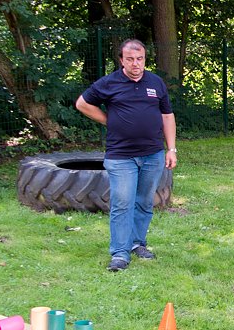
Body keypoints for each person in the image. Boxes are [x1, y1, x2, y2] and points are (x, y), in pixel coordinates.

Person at [76, 39, 177, 272]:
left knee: (143, 202)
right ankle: (120, 254)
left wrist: (171, 149)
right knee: (122, 203)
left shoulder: (156, 82)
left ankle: (137, 243)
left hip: (153, 155)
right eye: (130, 59)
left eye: (139, 59)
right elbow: (82, 104)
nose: (135, 64)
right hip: (121, 156)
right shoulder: (109, 83)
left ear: (144, 59)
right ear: (121, 60)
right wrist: (108, 120)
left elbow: (167, 116)